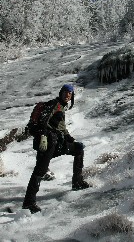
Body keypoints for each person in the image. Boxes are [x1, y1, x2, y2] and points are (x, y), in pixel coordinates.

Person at [22, 84, 90, 214]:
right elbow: (44, 121)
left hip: (57, 143)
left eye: (70, 93)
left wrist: (70, 138)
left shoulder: (61, 107)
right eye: (65, 92)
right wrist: (43, 135)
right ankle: (28, 203)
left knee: (78, 149)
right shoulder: (54, 104)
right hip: (47, 142)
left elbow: (61, 127)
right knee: (39, 171)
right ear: (61, 93)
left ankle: (78, 182)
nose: (67, 95)